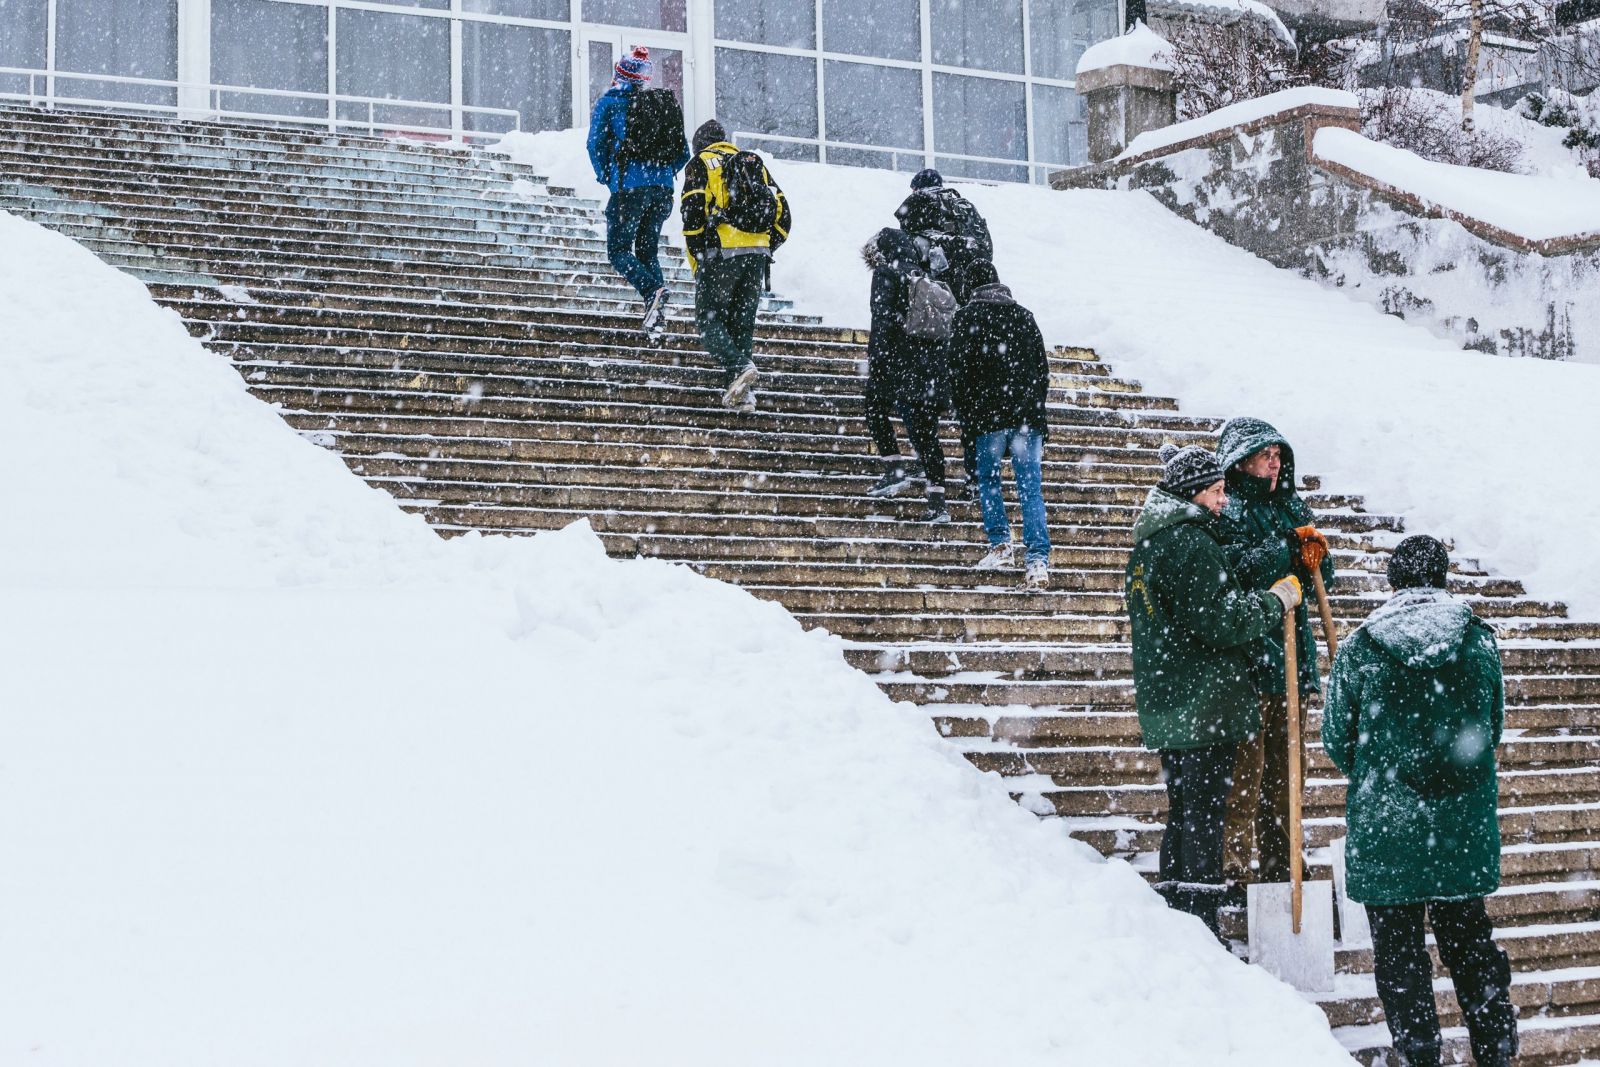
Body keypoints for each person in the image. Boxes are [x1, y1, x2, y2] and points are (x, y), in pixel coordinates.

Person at [1323, 535, 1514, 1067]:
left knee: (1400, 955)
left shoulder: (1362, 646)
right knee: (1472, 947)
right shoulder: (1477, 642)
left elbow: (1338, 736)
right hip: (1458, 827)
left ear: (1394, 581)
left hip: (1389, 825)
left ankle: (1418, 1054)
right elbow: (1492, 726)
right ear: (1444, 578)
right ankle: (1495, 1050)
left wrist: (1386, 775)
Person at [1126, 444, 1302, 937]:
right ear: (1193, 493)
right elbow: (1221, 621)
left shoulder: (1149, 545)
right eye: (1218, 491)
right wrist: (1274, 600)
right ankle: (1200, 927)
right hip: (1204, 703)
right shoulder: (1190, 544)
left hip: (1171, 701)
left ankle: (1178, 915)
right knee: (1205, 817)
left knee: (1183, 813)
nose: (1224, 501)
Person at [1214, 416, 1336, 888]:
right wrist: (1282, 548)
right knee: (1245, 776)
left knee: (1288, 778)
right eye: (1265, 453)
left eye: (1278, 453)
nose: (1274, 461)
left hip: (1292, 662)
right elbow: (1236, 571)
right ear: (1241, 459)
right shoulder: (1228, 507)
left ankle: (1282, 863)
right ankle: (1231, 870)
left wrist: (1314, 556)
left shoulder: (1292, 506)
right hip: (1250, 661)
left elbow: (1321, 580)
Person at [947, 260, 1051, 589]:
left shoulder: (966, 318)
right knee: (1030, 490)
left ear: (971, 287)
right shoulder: (1024, 316)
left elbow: (958, 373)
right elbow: (1041, 371)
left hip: (987, 418)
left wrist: (967, 416)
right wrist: (1032, 409)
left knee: (990, 483)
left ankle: (1000, 544)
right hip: (1025, 419)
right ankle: (1037, 560)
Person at [680, 119, 791, 412]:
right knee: (741, 324)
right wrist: (765, 245)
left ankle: (740, 366)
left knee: (709, 321)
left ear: (698, 145)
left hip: (721, 253)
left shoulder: (701, 163)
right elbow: (784, 216)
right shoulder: (753, 163)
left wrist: (700, 254)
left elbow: (692, 212)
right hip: (756, 255)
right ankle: (742, 394)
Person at [585, 46, 691, 341]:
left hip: (630, 188)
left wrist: (609, 177)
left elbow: (594, 145)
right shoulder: (660, 105)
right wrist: (662, 173)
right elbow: (684, 152)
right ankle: (656, 316)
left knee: (618, 251)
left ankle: (652, 291)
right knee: (647, 251)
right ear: (645, 78)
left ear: (619, 74)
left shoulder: (611, 102)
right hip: (661, 191)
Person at [861, 226, 951, 522]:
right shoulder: (922, 275)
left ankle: (894, 470)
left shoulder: (886, 272)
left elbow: (882, 317)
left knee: (874, 408)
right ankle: (937, 501)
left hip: (894, 360)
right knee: (926, 431)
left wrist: (878, 359)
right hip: (926, 364)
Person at [894, 169, 993, 304]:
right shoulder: (963, 205)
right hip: (971, 279)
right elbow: (985, 247)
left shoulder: (917, 202)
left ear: (918, 187)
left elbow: (910, 245)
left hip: (935, 281)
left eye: (913, 188)